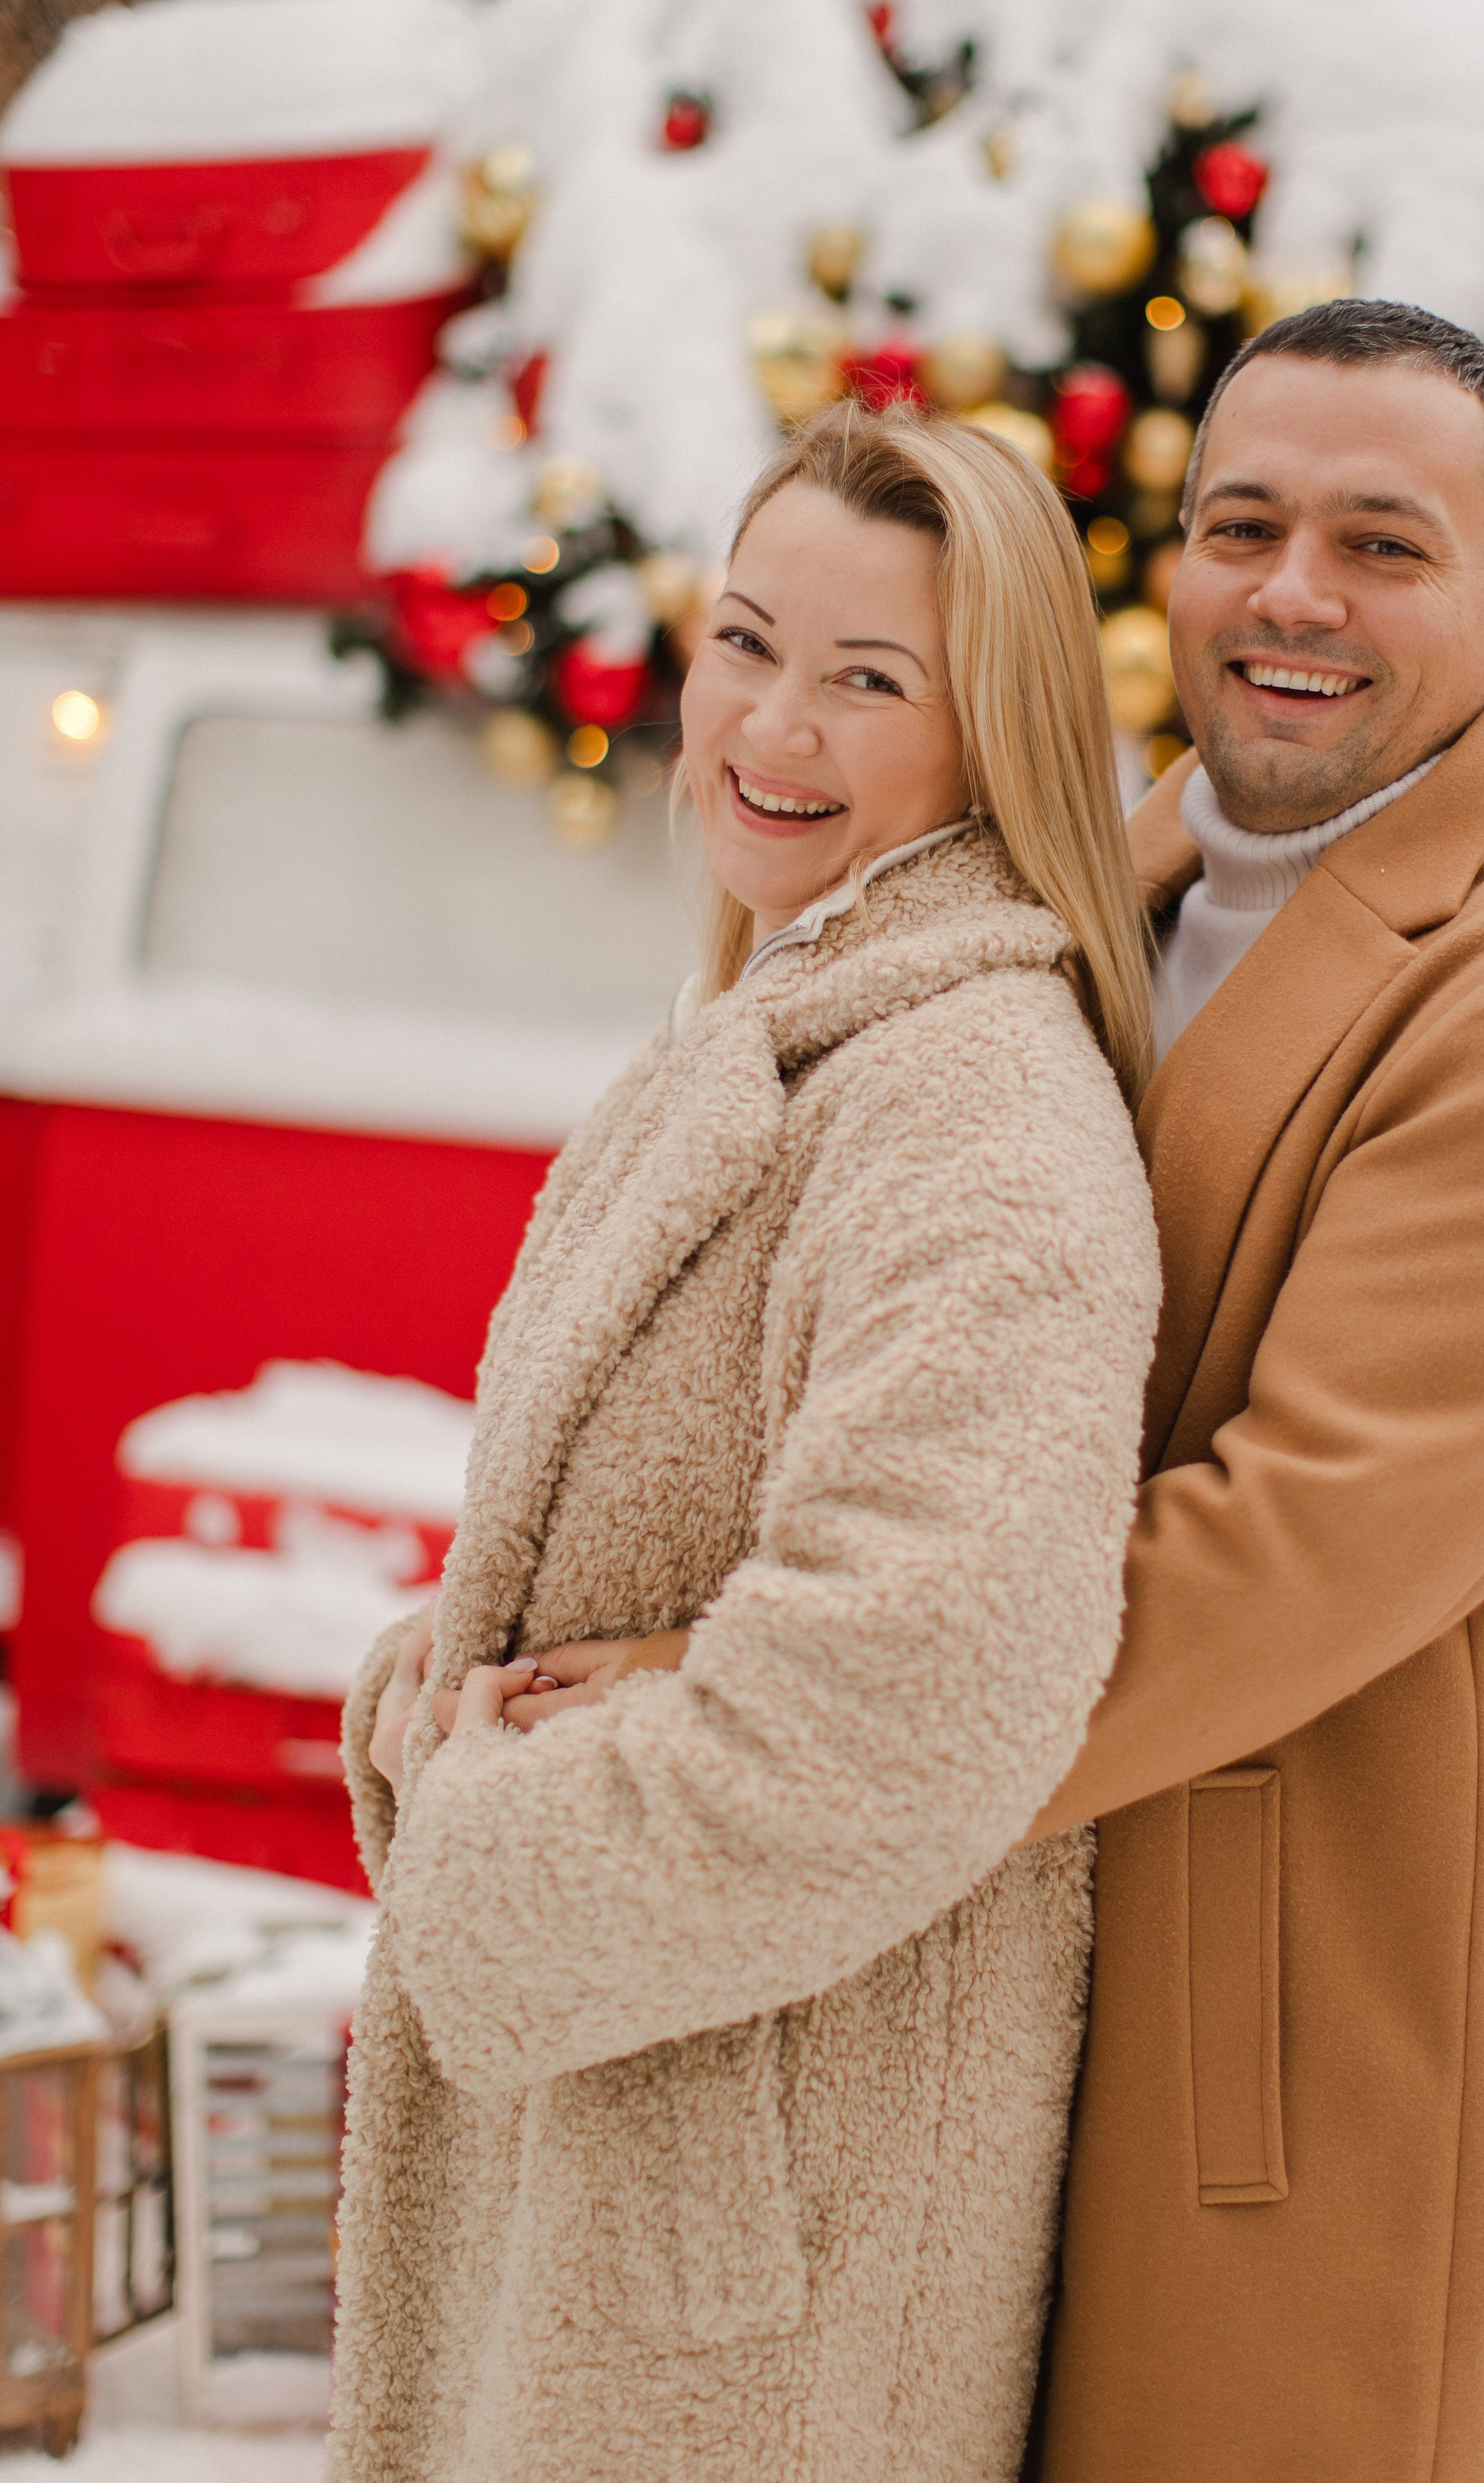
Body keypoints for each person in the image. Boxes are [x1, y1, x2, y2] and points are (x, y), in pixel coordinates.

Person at [331, 403, 1161, 2483]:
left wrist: (486, 1848)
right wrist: (448, 1683)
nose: (770, 727)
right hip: (641, 2161)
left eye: (871, 679)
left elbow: (918, 1690)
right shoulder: (789, 1019)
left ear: (998, 729)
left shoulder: (974, 1105)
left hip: (759, 2256)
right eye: (744, 642)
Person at [1020, 298, 1484, 2483]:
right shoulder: (1104, 881)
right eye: (1242, 525)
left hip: (1333, 2091)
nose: (1294, 594)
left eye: (1383, 542)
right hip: (1058, 1998)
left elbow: (1279, 1554)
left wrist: (758, 1724)